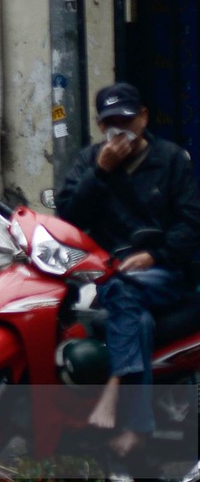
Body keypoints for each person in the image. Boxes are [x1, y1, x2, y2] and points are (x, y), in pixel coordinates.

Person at [57, 81, 200, 458]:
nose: (119, 129)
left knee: (126, 289)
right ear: (101, 127)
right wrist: (101, 173)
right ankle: (138, 427)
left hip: (164, 273)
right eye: (110, 123)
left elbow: (191, 223)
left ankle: (116, 387)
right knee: (136, 318)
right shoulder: (91, 161)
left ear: (143, 118)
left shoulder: (171, 160)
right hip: (110, 276)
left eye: (126, 119)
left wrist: (156, 256)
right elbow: (69, 218)